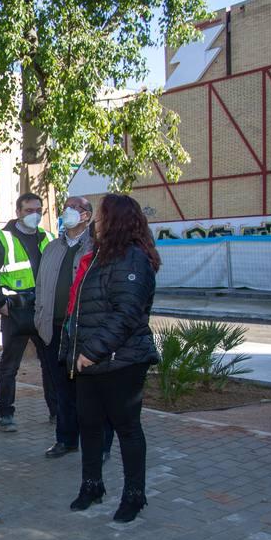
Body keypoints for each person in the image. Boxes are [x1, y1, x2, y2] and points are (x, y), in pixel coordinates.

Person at [64, 194, 161, 523]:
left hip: (121, 362)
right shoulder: (98, 256)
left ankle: (135, 495)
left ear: (116, 220)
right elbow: (83, 308)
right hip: (89, 362)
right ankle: (92, 486)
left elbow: (126, 314)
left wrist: (92, 351)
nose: (96, 222)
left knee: (127, 429)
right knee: (89, 426)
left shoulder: (133, 259)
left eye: (101, 216)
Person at [36, 196, 112, 460]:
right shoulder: (52, 248)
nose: (66, 211)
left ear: (86, 216)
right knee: (62, 390)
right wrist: (39, 318)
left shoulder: (98, 249)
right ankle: (66, 440)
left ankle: (101, 445)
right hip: (53, 329)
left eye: (73, 208)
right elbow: (41, 287)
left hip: (83, 330)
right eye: (65, 207)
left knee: (91, 392)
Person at [0, 192, 59, 432]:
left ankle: (56, 411)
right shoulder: (1, 239)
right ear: (18, 212)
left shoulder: (49, 237)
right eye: (29, 210)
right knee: (10, 366)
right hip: (15, 312)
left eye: (38, 210)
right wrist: (0, 303)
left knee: (50, 365)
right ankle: (5, 413)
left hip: (43, 311)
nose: (34, 215)